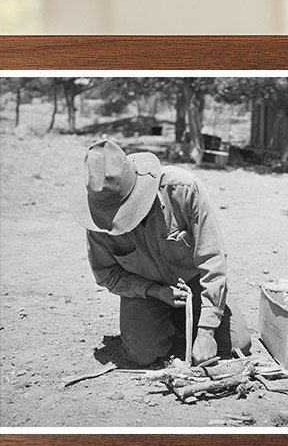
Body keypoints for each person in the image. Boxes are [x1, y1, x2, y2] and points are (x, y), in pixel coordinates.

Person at [69, 138, 250, 366]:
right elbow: (107, 275)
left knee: (238, 344)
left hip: (194, 285)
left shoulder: (184, 190)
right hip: (147, 293)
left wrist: (206, 330)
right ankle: (167, 324)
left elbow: (213, 260)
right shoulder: (98, 221)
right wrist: (155, 291)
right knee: (143, 355)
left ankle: (188, 324)